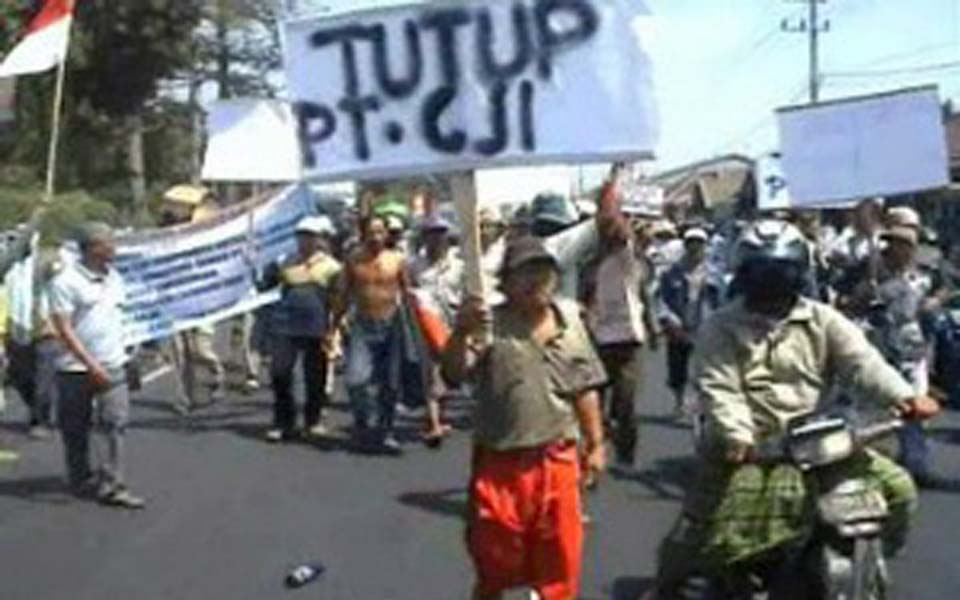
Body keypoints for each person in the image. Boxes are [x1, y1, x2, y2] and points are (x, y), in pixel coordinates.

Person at [643, 220, 939, 599]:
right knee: (701, 534)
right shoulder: (720, 326)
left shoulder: (823, 319)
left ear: (799, 272)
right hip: (748, 448)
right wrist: (738, 436)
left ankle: (875, 557)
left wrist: (904, 395)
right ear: (745, 274)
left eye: (781, 271)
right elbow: (719, 387)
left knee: (898, 490)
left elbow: (863, 363)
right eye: (763, 271)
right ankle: (664, 589)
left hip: (817, 443)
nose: (772, 281)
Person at [442, 236, 607, 600]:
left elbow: (585, 388)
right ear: (506, 283)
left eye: (544, 271)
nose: (536, 280)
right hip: (501, 464)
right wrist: (460, 331)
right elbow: (453, 374)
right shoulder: (488, 325)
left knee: (561, 560)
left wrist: (595, 444)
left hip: (557, 458)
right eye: (525, 273)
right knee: (495, 563)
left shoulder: (571, 322)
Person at [49, 223, 145, 509]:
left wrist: (130, 357)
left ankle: (113, 484)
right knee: (75, 427)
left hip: (113, 363)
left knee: (115, 424)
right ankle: (80, 476)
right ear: (92, 248)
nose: (114, 247)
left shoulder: (115, 277)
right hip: (74, 369)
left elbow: (122, 318)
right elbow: (64, 328)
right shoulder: (65, 281)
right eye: (108, 243)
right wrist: (90, 365)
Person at [328, 215, 422, 454]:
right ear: (362, 234)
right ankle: (362, 421)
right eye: (371, 232)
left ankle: (386, 429)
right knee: (355, 380)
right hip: (362, 326)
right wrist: (333, 327)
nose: (376, 237)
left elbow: (409, 294)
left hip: (392, 326)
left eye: (380, 232)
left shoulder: (397, 260)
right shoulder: (353, 261)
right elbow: (344, 295)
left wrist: (418, 327)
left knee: (389, 384)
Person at [582, 202, 659, 466]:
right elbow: (583, 297)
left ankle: (626, 452)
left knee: (626, 401)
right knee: (596, 401)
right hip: (598, 341)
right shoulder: (590, 265)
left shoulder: (632, 262)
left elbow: (644, 297)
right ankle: (597, 449)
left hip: (629, 340)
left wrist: (653, 327)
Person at [258, 216, 342, 443]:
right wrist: (255, 264)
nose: (304, 241)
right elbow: (264, 285)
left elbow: (338, 298)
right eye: (301, 236)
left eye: (309, 236)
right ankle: (283, 422)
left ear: (318, 239)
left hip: (316, 327)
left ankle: (313, 421)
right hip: (285, 326)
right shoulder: (285, 262)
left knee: (315, 376)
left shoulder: (332, 267)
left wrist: (335, 328)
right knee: (281, 374)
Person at [871, 225, 937, 484]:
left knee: (916, 407)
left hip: (912, 347)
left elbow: (945, 289)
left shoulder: (923, 274)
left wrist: (933, 303)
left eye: (900, 243)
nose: (893, 248)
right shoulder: (870, 271)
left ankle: (916, 463)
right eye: (891, 243)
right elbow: (846, 301)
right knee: (879, 408)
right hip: (878, 346)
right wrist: (863, 292)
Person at [408, 214, 463, 445]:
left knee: (449, 368)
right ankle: (433, 423)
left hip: (453, 321)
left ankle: (440, 415)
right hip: (425, 321)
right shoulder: (414, 265)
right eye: (431, 234)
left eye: (440, 234)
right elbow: (409, 291)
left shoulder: (459, 265)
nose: (436, 239)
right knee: (431, 370)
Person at [657, 227, 721, 417]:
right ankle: (679, 403)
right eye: (691, 243)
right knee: (678, 369)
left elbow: (721, 301)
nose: (695, 248)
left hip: (705, 326)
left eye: (699, 244)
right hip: (679, 326)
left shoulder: (714, 274)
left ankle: (703, 405)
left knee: (706, 370)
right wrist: (668, 320)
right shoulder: (672, 273)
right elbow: (662, 299)